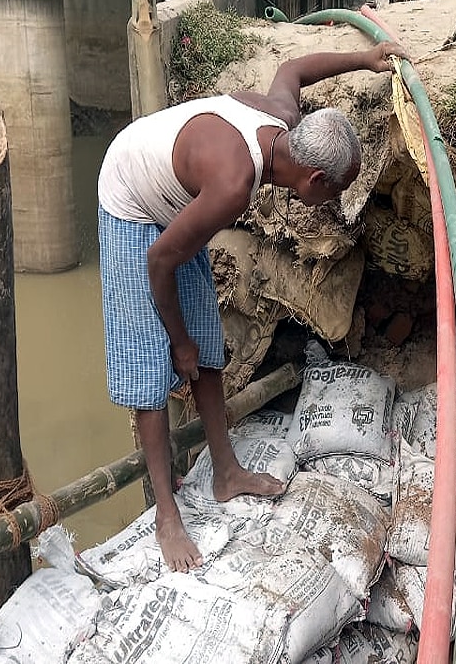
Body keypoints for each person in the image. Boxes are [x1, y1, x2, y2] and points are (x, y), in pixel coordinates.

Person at [95, 42, 405, 573]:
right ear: (314, 181)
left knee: (209, 350)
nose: (332, 205)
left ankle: (226, 472)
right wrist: (179, 340)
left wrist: (366, 56)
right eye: (335, 194)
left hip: (173, 203)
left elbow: (293, 69)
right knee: (149, 367)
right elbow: (159, 261)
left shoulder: (284, 119)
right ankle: (166, 515)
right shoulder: (234, 185)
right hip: (132, 204)